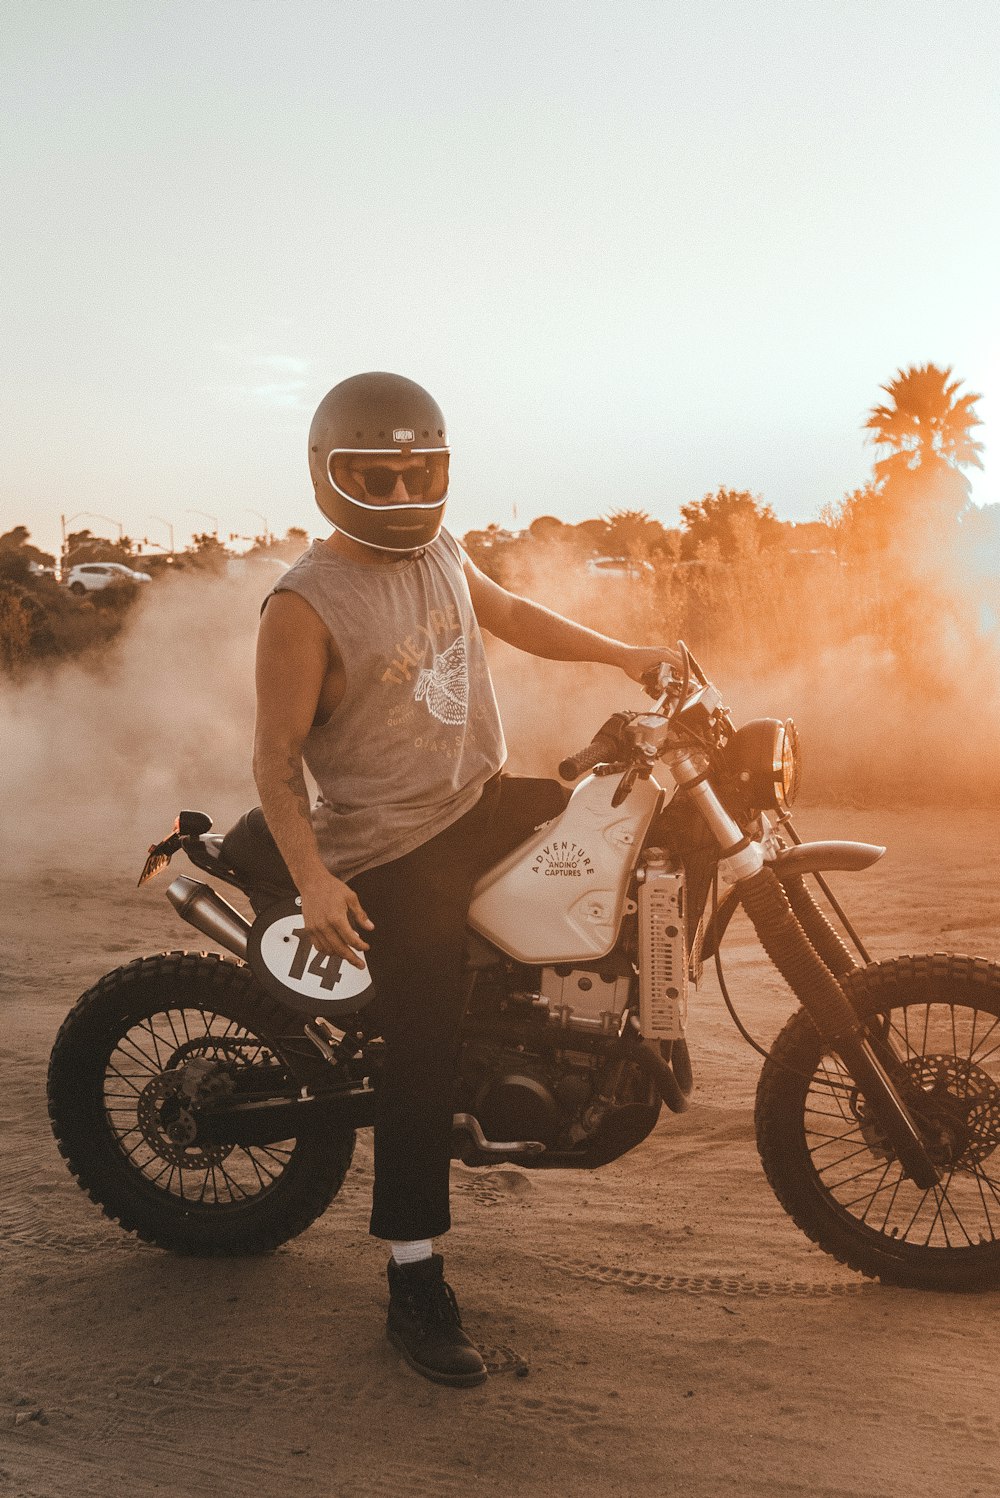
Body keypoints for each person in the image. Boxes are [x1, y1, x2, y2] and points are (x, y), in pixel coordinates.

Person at [249, 371, 677, 1387]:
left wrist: (629, 656)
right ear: (330, 475)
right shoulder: (302, 606)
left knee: (631, 818)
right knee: (423, 1052)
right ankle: (413, 1278)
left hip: (478, 799)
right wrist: (312, 875)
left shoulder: (440, 546)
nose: (400, 492)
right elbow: (273, 760)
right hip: (393, 845)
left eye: (418, 471)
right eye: (375, 475)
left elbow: (514, 613)